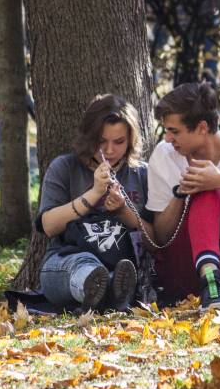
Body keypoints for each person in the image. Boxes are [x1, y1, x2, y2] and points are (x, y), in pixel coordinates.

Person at [144, 82, 220, 310]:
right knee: (205, 189)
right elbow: (160, 236)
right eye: (166, 130)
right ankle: (211, 283)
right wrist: (181, 194)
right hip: (188, 272)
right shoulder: (164, 155)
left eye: (174, 131)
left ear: (202, 128)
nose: (167, 138)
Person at [36, 94, 150, 312]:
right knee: (84, 266)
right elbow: (48, 226)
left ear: (130, 140)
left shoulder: (141, 173)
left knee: (120, 273)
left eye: (119, 142)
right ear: (89, 138)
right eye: (101, 142)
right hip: (66, 260)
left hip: (123, 262)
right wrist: (94, 194)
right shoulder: (65, 167)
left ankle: (110, 290)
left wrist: (123, 210)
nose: (109, 151)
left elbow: (154, 235)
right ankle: (103, 289)